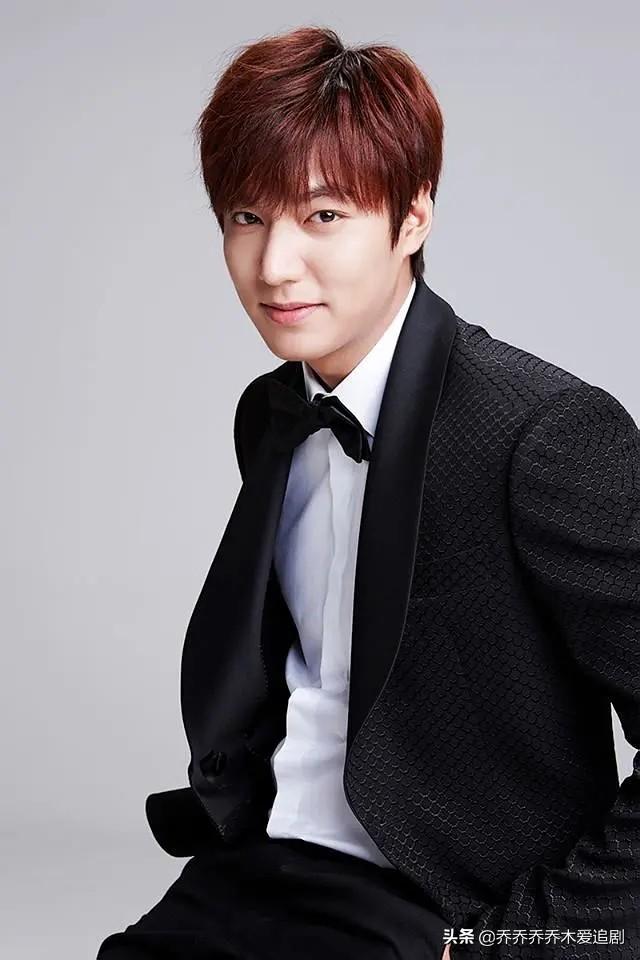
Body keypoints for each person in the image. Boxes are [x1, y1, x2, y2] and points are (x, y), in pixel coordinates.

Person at [97, 24, 640, 960]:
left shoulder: (545, 434)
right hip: (259, 864)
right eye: (246, 216)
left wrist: (524, 942)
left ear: (414, 216)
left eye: (323, 216)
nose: (274, 266)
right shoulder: (272, 414)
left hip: (446, 905)